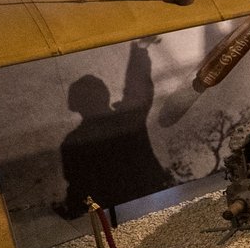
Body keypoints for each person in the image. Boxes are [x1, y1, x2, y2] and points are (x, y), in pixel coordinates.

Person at [58, 37, 173, 217]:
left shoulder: (73, 142)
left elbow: (78, 189)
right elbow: (138, 89)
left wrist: (70, 213)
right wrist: (139, 50)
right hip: (156, 203)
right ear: (106, 95)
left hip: (122, 215)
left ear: (74, 105)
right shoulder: (127, 118)